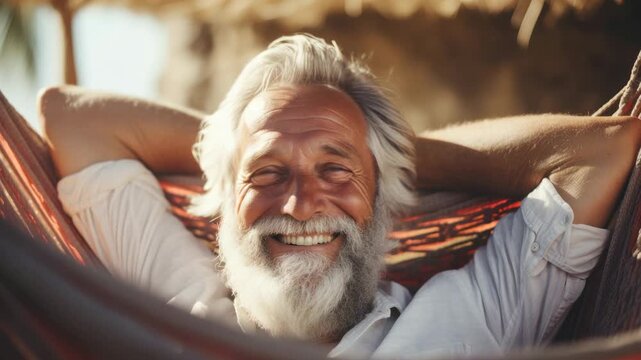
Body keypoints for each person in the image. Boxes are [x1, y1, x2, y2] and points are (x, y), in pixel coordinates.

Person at [40, 34, 640, 358]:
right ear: (223, 202)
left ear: (383, 200)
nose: (301, 204)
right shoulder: (178, 300)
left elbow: (601, 154)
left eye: (336, 172)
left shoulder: (472, 317)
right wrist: (239, 142)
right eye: (268, 174)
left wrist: (392, 154)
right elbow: (70, 118)